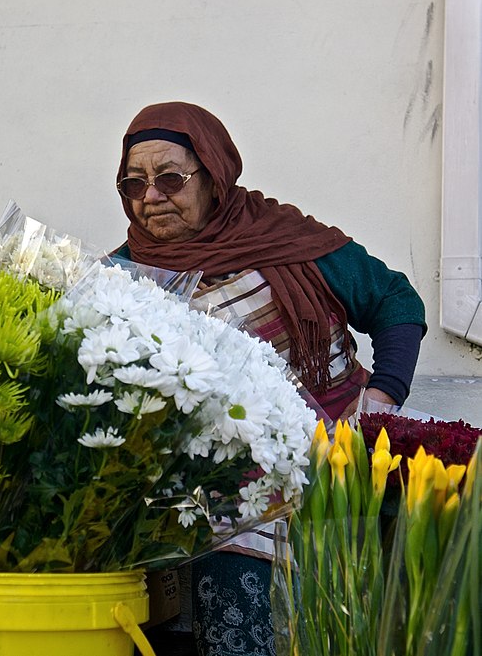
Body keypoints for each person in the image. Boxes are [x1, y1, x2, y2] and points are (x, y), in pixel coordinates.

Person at [113, 101, 426, 656]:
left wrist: (383, 394)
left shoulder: (288, 242)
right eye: (134, 183)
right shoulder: (125, 278)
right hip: (229, 493)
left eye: (170, 178)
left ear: (216, 175)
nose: (151, 197)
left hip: (341, 463)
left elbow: (396, 300)